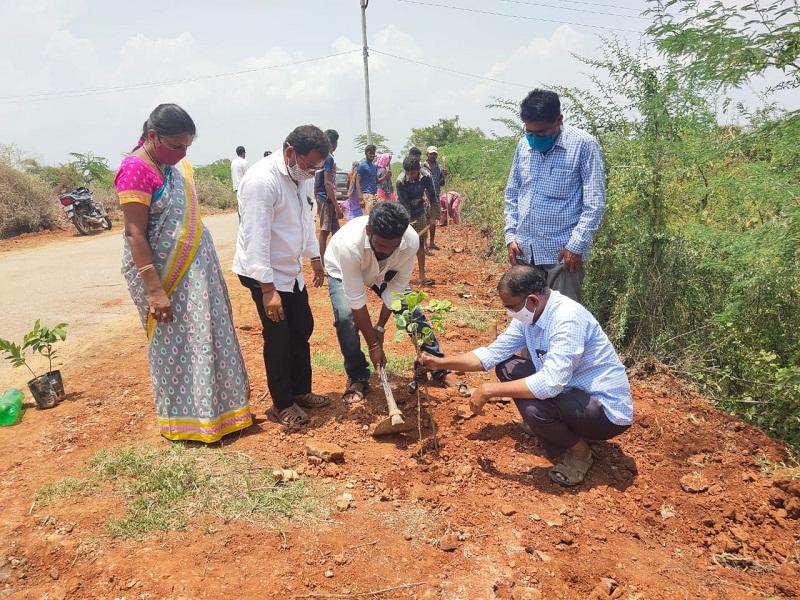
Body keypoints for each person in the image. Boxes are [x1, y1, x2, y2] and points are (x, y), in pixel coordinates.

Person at [420, 264, 632, 486]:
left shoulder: (567, 320)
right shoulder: (531, 315)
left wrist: (488, 389)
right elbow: (492, 353)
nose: (509, 313)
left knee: (534, 410)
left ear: (532, 300)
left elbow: (550, 384)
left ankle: (580, 453)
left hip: (603, 411)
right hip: (572, 392)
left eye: (511, 307)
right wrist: (441, 362)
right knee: (508, 367)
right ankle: (554, 426)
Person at [117, 104, 252, 443]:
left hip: (197, 276)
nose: (183, 154)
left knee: (208, 337)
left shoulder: (173, 169)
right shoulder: (135, 170)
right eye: (176, 145)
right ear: (152, 136)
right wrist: (155, 290)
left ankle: (222, 413)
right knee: (178, 345)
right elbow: (135, 234)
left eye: (188, 146)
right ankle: (187, 420)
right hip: (166, 279)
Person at [232, 125, 331, 429]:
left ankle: (300, 391)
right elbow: (256, 237)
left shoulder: (300, 176)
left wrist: (315, 257)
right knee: (279, 338)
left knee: (302, 327)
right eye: (309, 165)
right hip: (265, 274)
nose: (312, 173)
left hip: (290, 270)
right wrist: (268, 289)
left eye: (317, 168)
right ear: (290, 152)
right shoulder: (262, 181)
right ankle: (282, 404)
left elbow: (304, 219)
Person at [324, 202, 470, 403]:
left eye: (393, 247)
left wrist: (380, 327)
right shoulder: (349, 246)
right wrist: (374, 345)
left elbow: (397, 291)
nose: (386, 251)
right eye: (381, 245)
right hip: (342, 268)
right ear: (369, 231)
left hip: (383, 272)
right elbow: (356, 301)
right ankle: (357, 376)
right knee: (345, 318)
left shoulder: (409, 241)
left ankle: (439, 368)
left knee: (411, 311)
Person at [504, 89, 606, 303]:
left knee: (561, 315)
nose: (534, 139)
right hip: (525, 251)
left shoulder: (583, 145)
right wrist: (510, 236)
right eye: (529, 132)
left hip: (562, 256)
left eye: (541, 133)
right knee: (526, 314)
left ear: (559, 120)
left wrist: (575, 246)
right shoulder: (523, 146)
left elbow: (594, 202)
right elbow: (512, 193)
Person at [396, 156, 437, 286]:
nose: (411, 176)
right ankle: (398, 276)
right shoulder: (400, 181)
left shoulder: (426, 177)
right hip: (403, 212)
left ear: (418, 169)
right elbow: (404, 204)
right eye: (408, 173)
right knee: (401, 245)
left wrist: (432, 217)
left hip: (419, 211)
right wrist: (407, 225)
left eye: (413, 173)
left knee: (419, 244)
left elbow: (433, 197)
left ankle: (422, 275)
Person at [314, 129, 341, 261]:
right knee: (324, 232)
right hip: (327, 199)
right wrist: (337, 206)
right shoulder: (329, 158)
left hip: (323, 198)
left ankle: (336, 258)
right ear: (334, 144)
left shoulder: (321, 157)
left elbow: (316, 181)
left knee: (337, 231)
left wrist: (317, 198)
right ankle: (324, 261)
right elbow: (327, 183)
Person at [424, 146, 446, 250]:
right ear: (427, 154)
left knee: (433, 220)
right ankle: (424, 243)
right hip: (424, 196)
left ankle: (432, 242)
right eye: (431, 154)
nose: (433, 156)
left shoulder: (439, 167)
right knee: (424, 220)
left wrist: (443, 176)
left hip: (435, 196)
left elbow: (441, 183)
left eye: (434, 154)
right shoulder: (422, 166)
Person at [356, 144, 378, 213]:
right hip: (366, 195)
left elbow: (377, 181)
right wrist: (360, 197)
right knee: (367, 216)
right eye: (370, 153)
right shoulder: (362, 165)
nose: (372, 155)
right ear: (366, 153)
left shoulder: (374, 166)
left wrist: (386, 176)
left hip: (374, 195)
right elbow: (357, 181)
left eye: (373, 154)